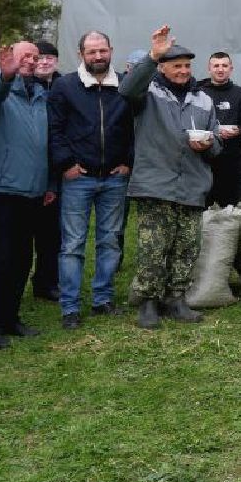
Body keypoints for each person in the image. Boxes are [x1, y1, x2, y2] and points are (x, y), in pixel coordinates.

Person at [122, 27, 222, 328]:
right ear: (162, 68)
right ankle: (148, 303)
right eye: (176, 65)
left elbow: (217, 140)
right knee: (154, 247)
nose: (183, 71)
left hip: (192, 184)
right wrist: (152, 56)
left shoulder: (203, 99)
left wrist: (209, 144)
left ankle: (176, 299)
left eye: (187, 66)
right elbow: (126, 90)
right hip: (156, 184)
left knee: (187, 246)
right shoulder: (148, 93)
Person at [48, 30, 135, 330]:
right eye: (91, 52)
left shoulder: (124, 85)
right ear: (81, 54)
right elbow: (55, 129)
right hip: (78, 178)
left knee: (110, 241)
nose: (98, 56)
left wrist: (128, 161)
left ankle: (103, 299)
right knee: (72, 244)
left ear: (111, 50)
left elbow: (135, 126)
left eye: (102, 50)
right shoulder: (65, 86)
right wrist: (66, 164)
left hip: (114, 178)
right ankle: (70, 307)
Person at [0, 41, 50, 350]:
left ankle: (9, 317)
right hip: (1, 190)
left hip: (33, 191)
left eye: (35, 56)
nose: (31, 61)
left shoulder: (41, 95)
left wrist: (48, 184)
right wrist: (4, 76)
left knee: (20, 259)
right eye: (24, 56)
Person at [28, 39, 63, 301]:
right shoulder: (23, 84)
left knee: (52, 234)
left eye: (49, 58)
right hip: (27, 168)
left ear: (56, 61)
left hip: (57, 169)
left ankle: (47, 281)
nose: (44, 62)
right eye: (39, 57)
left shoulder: (65, 86)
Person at [196, 51, 241, 207]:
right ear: (209, 69)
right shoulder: (199, 93)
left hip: (233, 159)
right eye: (216, 66)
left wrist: (239, 131)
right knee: (203, 204)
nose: (220, 69)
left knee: (231, 206)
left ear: (231, 69)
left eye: (224, 65)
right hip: (204, 159)